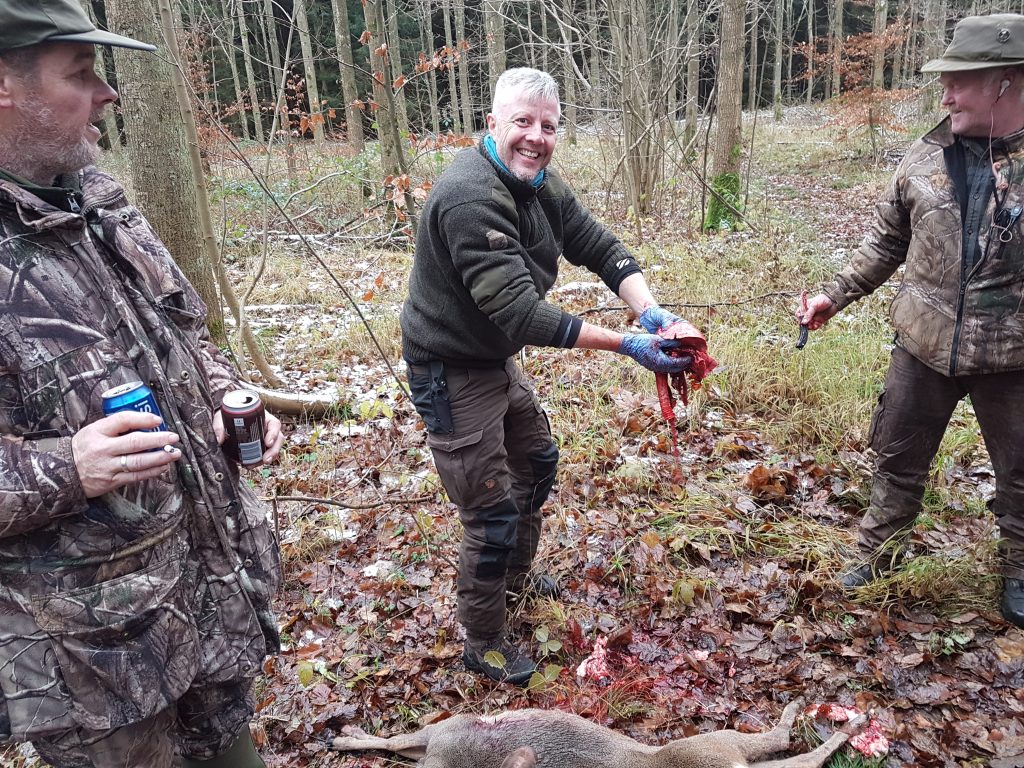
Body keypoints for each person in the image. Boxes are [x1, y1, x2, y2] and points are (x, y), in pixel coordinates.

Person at [0, 2, 285, 765]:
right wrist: (67, 466)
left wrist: (226, 400)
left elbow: (188, 334)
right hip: (94, 673)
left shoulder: (98, 197)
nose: (108, 92)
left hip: (204, 605)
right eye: (80, 72)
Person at [401, 67, 701, 684]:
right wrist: (629, 344)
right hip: (449, 367)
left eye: (548, 126)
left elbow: (594, 242)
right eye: (522, 122)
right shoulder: (470, 196)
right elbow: (520, 312)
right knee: (489, 510)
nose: (535, 137)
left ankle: (512, 575)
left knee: (535, 461)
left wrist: (648, 308)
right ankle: (482, 639)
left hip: (489, 356)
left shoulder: (536, 181)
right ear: (492, 125)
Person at [799, 13, 1024, 628]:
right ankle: (880, 550)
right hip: (923, 341)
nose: (945, 94)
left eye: (959, 82)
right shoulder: (923, 158)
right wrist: (833, 296)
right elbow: (884, 240)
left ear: (1004, 82)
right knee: (897, 453)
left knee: (1022, 472)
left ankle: (1019, 568)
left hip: (1013, 355)